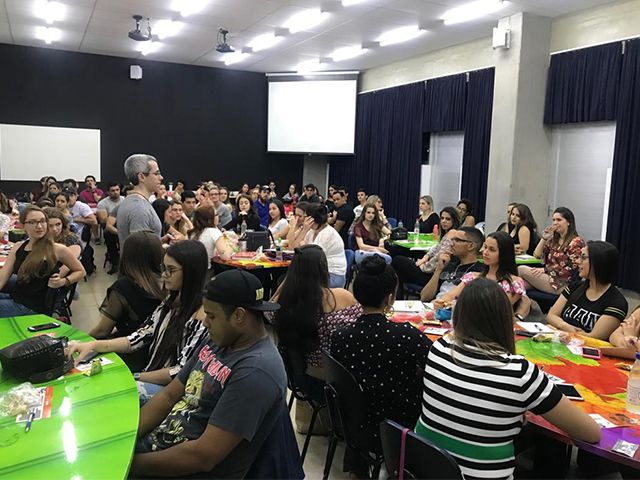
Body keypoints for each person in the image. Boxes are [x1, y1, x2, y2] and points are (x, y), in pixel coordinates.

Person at [415, 277, 601, 479]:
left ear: (458, 314)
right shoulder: (519, 372)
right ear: (507, 319)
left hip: (424, 470)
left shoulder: (439, 348)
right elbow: (590, 433)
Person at [126, 268, 287, 478]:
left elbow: (203, 456)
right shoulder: (220, 339)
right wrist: (125, 440)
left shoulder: (256, 372)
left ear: (239, 315)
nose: (204, 321)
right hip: (162, 443)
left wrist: (127, 465)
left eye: (211, 315)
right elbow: (169, 395)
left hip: (185, 470)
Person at [331, 256, 431, 478]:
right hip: (399, 425)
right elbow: (433, 365)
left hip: (353, 421)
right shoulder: (407, 335)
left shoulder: (340, 337)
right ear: (390, 298)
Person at [68, 240, 209, 397]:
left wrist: (134, 377)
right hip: (149, 376)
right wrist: (93, 344)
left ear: (191, 273)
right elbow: (138, 337)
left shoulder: (201, 318)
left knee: (108, 389)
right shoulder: (170, 302)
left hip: (169, 391)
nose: (164, 275)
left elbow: (179, 372)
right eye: (163, 268)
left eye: (171, 270)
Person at [272, 244, 361, 382]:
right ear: (324, 269)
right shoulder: (341, 297)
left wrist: (288, 281)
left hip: (301, 376)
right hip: (338, 379)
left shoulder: (285, 303)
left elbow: (269, 311)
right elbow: (363, 326)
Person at [0, 206, 85, 317]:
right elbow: (3, 277)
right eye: (33, 222)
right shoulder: (18, 247)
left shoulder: (58, 249)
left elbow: (80, 271)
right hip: (17, 297)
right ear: (23, 225)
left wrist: (64, 281)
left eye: (42, 221)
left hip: (31, 307)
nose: (39, 226)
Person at [434, 231, 531, 319]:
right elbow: (450, 295)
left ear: (504, 254)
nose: (485, 252)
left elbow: (496, 309)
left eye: (492, 250)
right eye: (485, 247)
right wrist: (442, 302)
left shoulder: (513, 282)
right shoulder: (472, 277)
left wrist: (459, 305)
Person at [89, 231, 164, 338]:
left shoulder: (123, 288)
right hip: (161, 341)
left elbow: (102, 330)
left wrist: (79, 341)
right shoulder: (168, 281)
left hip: (131, 343)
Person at [547, 241, 627, 340]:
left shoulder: (617, 303)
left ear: (598, 263)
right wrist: (564, 326)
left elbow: (594, 338)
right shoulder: (575, 287)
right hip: (560, 341)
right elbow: (551, 315)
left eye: (583, 258)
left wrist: (561, 328)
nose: (577, 261)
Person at [392, 206, 461, 294]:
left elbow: (439, 258)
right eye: (442, 218)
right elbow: (435, 248)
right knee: (399, 270)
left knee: (398, 260)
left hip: (430, 276)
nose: (444, 221)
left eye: (448, 219)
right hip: (429, 270)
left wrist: (424, 265)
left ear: (454, 220)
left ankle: (398, 296)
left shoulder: (452, 233)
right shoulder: (447, 233)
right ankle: (399, 295)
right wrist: (425, 257)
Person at [518, 207, 585, 294]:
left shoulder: (576, 242)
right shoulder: (553, 240)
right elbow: (536, 255)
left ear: (568, 222)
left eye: (559, 220)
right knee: (517, 285)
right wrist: (544, 238)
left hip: (562, 283)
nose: (555, 223)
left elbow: (573, 268)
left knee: (521, 269)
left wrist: (546, 270)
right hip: (549, 278)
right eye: (553, 220)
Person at [420, 227, 485, 302]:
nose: (451, 244)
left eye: (457, 240)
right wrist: (438, 269)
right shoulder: (448, 264)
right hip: (435, 305)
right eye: (452, 240)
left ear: (471, 246)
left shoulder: (480, 271)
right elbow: (424, 297)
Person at [291, 203, 347, 288]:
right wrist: (302, 230)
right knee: (288, 278)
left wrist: (304, 241)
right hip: (317, 271)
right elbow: (294, 248)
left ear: (311, 219)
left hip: (333, 275)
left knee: (296, 282)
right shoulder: (312, 231)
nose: (303, 220)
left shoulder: (327, 233)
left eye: (306, 216)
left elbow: (312, 257)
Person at [117, 153, 164, 245]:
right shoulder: (139, 209)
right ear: (142, 177)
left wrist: (159, 242)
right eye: (156, 173)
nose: (161, 177)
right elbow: (140, 250)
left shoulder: (132, 201)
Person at [97, 182, 123, 271]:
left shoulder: (125, 200)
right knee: (108, 234)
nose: (115, 192)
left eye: (117, 190)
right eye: (113, 190)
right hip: (111, 227)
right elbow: (103, 220)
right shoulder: (102, 203)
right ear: (108, 192)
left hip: (124, 225)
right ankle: (114, 261)